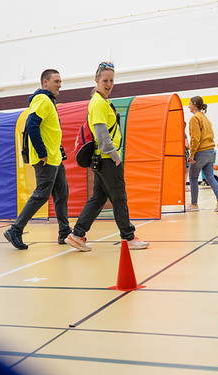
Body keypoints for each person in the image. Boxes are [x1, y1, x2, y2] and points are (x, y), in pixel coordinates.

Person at [65, 63, 148, 252]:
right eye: (105, 81)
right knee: (119, 197)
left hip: (101, 159)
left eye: (111, 80)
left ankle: (77, 235)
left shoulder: (101, 101)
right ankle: (128, 237)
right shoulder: (98, 103)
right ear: (96, 81)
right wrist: (115, 156)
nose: (109, 84)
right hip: (107, 159)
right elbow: (102, 137)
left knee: (98, 198)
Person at [4, 69, 71, 250]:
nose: (59, 85)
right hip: (46, 158)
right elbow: (32, 125)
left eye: (60, 81)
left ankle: (64, 232)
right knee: (42, 194)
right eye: (56, 81)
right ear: (45, 83)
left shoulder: (48, 101)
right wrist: (42, 152)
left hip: (55, 157)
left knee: (61, 194)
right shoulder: (42, 99)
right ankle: (15, 230)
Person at [186, 96, 218, 212]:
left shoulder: (194, 118)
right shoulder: (206, 118)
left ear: (194, 104)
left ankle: (194, 204)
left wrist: (192, 154)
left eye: (189, 104)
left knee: (193, 177)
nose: (188, 106)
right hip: (211, 151)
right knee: (210, 177)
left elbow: (195, 138)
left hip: (201, 152)